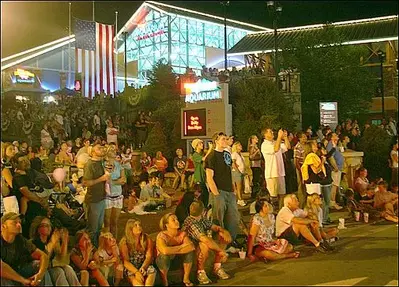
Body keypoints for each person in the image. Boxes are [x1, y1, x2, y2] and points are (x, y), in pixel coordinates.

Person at [182, 201, 231, 285]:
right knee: (204, 244)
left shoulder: (201, 219)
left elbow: (215, 227)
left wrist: (224, 232)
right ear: (203, 211)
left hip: (200, 243)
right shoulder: (190, 222)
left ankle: (217, 267)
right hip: (191, 247)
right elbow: (204, 239)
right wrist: (221, 251)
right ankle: (200, 272)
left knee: (221, 235)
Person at [205, 132, 240, 246]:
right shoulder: (211, 156)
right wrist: (216, 194)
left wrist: (233, 188)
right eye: (223, 139)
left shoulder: (227, 154)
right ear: (216, 141)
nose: (225, 141)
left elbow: (229, 172)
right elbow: (209, 177)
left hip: (229, 190)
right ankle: (219, 242)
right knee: (218, 217)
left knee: (233, 217)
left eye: (226, 139)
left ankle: (231, 240)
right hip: (219, 190)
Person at [1, 212, 52, 286]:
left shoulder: (20, 239)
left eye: (19, 222)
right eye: (14, 223)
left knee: (38, 264)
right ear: (3, 226)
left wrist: (39, 275)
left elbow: (43, 256)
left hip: (19, 271)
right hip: (7, 276)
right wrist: (23, 280)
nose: (19, 225)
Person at [29, 216, 81, 286]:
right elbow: (44, 259)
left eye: (49, 225)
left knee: (67, 268)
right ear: (38, 229)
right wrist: (52, 243)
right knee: (58, 271)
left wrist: (64, 241)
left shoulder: (51, 240)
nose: (48, 227)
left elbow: (62, 258)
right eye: (45, 225)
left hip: (50, 267)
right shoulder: (34, 242)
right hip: (40, 269)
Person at [156, 213, 195, 287]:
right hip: (163, 262)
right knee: (164, 256)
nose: (177, 221)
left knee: (189, 252)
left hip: (177, 260)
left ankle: (186, 278)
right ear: (167, 225)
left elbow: (191, 246)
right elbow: (164, 251)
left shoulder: (182, 234)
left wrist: (172, 250)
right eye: (173, 220)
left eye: (177, 219)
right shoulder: (162, 236)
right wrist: (182, 246)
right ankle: (165, 281)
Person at [83, 143, 110, 247]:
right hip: (93, 200)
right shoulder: (90, 164)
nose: (102, 149)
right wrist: (101, 179)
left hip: (101, 198)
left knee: (99, 228)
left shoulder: (102, 163)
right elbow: (86, 183)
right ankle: (90, 250)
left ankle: (97, 248)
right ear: (93, 152)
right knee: (93, 229)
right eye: (99, 148)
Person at [301, 141, 334, 225]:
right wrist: (322, 162)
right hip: (312, 182)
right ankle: (316, 222)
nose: (316, 147)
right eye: (314, 146)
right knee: (314, 202)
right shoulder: (311, 157)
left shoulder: (313, 156)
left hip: (315, 182)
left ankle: (319, 222)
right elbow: (315, 170)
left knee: (317, 203)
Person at [119, 219, 156, 286]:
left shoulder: (147, 238)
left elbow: (149, 256)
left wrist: (143, 267)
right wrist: (136, 272)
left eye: (139, 225)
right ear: (130, 229)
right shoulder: (125, 242)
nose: (139, 227)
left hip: (144, 264)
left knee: (151, 272)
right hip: (131, 267)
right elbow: (125, 261)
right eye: (135, 225)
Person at [261, 128, 291, 209]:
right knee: (273, 195)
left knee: (282, 194)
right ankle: (272, 211)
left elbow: (287, 147)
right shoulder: (265, 145)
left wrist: (285, 137)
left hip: (280, 172)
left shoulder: (275, 142)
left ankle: (281, 211)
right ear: (265, 135)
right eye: (270, 132)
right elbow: (275, 149)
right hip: (272, 173)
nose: (272, 133)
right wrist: (278, 137)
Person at [103, 149, 126, 239]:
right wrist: (117, 181)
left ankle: (114, 241)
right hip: (107, 196)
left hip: (117, 195)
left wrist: (111, 182)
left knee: (115, 222)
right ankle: (106, 241)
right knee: (107, 222)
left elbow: (123, 180)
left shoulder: (119, 166)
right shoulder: (102, 165)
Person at [191, 139, 212, 207]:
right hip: (198, 177)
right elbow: (203, 159)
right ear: (196, 146)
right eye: (200, 144)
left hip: (203, 177)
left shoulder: (202, 153)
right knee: (202, 195)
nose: (202, 145)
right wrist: (210, 149)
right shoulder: (195, 155)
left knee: (205, 195)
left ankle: (204, 208)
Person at [326, 133, 344, 210]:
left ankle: (333, 202)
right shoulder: (330, 145)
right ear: (332, 137)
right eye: (335, 135)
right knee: (334, 186)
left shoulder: (334, 145)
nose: (337, 136)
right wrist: (335, 167)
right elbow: (330, 157)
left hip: (338, 168)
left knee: (335, 186)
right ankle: (332, 202)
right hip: (335, 169)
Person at [294, 132, 307, 208]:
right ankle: (301, 204)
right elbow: (296, 161)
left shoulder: (305, 146)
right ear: (299, 138)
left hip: (305, 168)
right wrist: (300, 170)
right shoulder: (298, 147)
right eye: (303, 137)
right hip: (301, 168)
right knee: (301, 186)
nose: (305, 138)